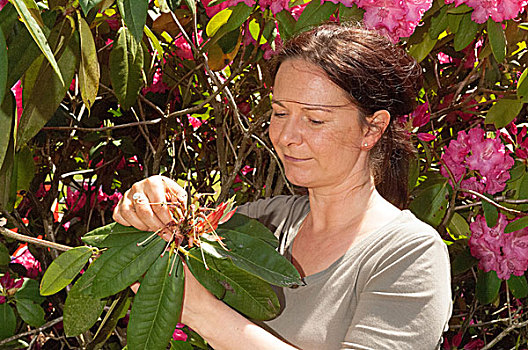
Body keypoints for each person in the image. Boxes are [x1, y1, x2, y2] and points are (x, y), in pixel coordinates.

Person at [113, 23, 452, 350]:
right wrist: (151, 204)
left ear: (372, 129)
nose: (287, 137)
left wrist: (202, 311)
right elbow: (155, 244)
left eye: (314, 119)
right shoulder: (263, 222)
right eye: (279, 113)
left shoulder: (410, 255)